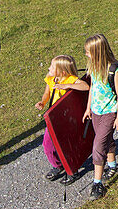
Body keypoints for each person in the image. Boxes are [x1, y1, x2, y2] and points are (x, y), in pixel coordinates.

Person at [82, 34, 118, 200]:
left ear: (97, 52)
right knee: (106, 140)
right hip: (96, 112)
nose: (86, 54)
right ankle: (112, 166)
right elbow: (92, 88)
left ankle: (97, 183)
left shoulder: (114, 70)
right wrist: (88, 108)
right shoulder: (93, 67)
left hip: (109, 113)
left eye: (88, 52)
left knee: (98, 147)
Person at [34, 55, 88, 183]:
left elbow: (85, 86)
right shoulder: (51, 79)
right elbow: (47, 93)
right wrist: (42, 101)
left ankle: (72, 171)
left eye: (52, 67)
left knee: (66, 145)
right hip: (53, 120)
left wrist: (67, 85)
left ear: (62, 72)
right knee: (47, 145)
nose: (49, 68)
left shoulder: (70, 79)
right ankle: (58, 165)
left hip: (66, 119)